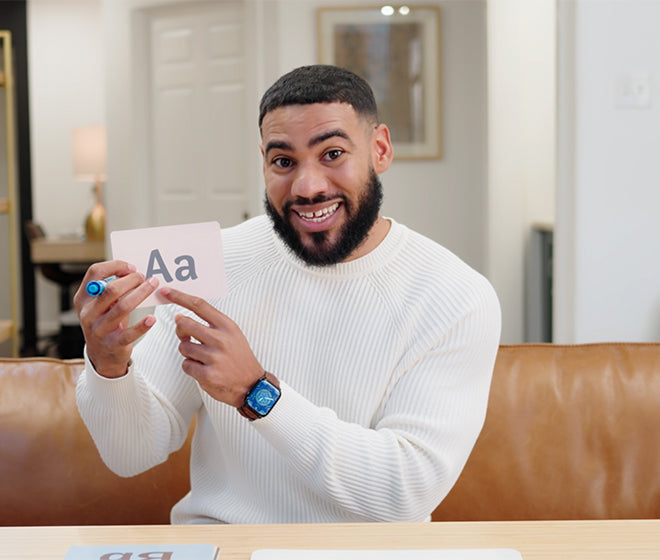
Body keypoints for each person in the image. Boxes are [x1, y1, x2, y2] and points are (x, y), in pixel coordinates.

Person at [74, 64, 501, 524]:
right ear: (263, 162)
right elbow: (131, 454)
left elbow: (406, 493)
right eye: (283, 161)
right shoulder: (210, 260)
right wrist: (109, 367)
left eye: (333, 153)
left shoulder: (457, 295)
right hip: (227, 548)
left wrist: (257, 394)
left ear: (379, 149)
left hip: (369, 557)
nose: (307, 186)